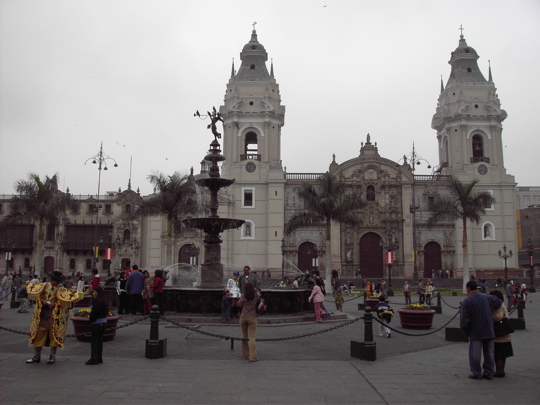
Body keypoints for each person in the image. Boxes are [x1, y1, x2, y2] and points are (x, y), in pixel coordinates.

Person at [26, 271, 84, 364]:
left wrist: (55, 304)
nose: (57, 283)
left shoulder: (61, 289)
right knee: (38, 334)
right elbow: (37, 296)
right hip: (42, 315)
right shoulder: (43, 286)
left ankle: (52, 356)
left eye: (58, 281)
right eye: (56, 281)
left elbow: (65, 301)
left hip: (54, 316)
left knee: (54, 336)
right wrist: (43, 301)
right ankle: (37, 356)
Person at [460, 280, 502, 380]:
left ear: (468, 289)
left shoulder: (467, 301)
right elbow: (498, 302)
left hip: (475, 330)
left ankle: (476, 372)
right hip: (488, 328)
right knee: (489, 352)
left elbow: (464, 319)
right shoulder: (486, 297)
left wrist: (466, 330)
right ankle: (489, 372)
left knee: (475, 353)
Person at [488, 290, 513, 378]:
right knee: (502, 353)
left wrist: (490, 316)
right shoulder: (501, 304)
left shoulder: (498, 305)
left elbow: (498, 316)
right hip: (504, 332)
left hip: (499, 333)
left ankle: (499, 370)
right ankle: (501, 369)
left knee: (498, 352)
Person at [86, 285, 109, 365]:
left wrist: (91, 320)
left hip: (97, 322)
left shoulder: (96, 301)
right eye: (93, 292)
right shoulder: (104, 300)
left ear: (98, 293)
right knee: (99, 341)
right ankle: (99, 358)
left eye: (95, 292)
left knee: (94, 341)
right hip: (103, 322)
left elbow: (94, 313)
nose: (93, 293)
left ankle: (94, 359)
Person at [238, 281, 260, 362]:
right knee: (252, 337)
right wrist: (254, 289)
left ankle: (245, 354)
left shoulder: (243, 296)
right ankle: (253, 357)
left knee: (244, 336)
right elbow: (259, 293)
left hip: (243, 317)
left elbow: (239, 304)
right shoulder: (256, 295)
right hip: (252, 318)